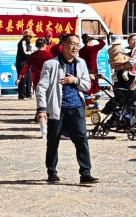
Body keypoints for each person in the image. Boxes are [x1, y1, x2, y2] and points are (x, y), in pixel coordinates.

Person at [35, 33, 98, 185]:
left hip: (76, 107)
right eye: (71, 44)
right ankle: (52, 172)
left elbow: (86, 85)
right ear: (63, 45)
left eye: (77, 44)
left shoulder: (81, 63)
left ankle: (85, 173)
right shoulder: (51, 64)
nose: (75, 47)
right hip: (58, 108)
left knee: (82, 139)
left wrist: (75, 80)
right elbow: (41, 87)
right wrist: (41, 109)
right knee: (53, 141)